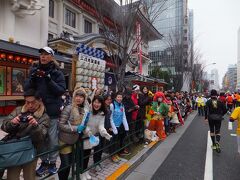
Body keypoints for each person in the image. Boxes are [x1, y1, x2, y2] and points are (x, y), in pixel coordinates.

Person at [24, 46, 66, 176]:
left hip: (52, 111)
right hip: (38, 112)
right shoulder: (34, 70)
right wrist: (32, 78)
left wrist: (48, 79)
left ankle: (52, 162)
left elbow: (61, 90)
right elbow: (27, 89)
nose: (43, 56)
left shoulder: (57, 73)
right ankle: (44, 162)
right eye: (41, 54)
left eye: (46, 54)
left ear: (51, 57)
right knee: (40, 138)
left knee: (52, 139)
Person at [1, 89, 50, 180]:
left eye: (33, 102)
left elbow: (41, 137)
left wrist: (35, 126)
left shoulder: (44, 117)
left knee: (29, 177)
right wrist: (12, 123)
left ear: (40, 101)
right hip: (15, 150)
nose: (30, 105)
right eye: (27, 102)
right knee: (12, 177)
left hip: (31, 151)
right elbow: (4, 126)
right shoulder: (19, 110)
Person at [58, 87, 89, 180]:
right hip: (64, 141)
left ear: (84, 99)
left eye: (81, 96)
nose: (78, 98)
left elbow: (84, 124)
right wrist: (76, 128)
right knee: (65, 165)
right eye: (77, 96)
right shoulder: (68, 108)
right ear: (74, 97)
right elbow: (61, 125)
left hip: (75, 140)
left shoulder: (84, 110)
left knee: (70, 164)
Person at [81, 96, 112, 180]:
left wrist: (104, 133)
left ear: (101, 104)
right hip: (84, 136)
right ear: (92, 102)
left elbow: (101, 126)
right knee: (82, 155)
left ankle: (85, 171)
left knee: (87, 154)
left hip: (91, 136)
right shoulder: (88, 111)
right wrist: (88, 132)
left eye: (99, 102)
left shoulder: (102, 113)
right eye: (95, 102)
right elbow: (84, 124)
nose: (96, 104)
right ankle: (81, 172)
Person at [110, 91, 129, 162]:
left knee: (117, 141)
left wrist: (127, 128)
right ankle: (112, 155)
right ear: (115, 97)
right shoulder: (112, 105)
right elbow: (110, 118)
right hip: (113, 127)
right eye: (118, 97)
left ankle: (115, 154)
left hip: (120, 126)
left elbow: (123, 117)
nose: (119, 98)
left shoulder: (122, 105)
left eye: (121, 97)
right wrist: (114, 128)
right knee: (112, 142)